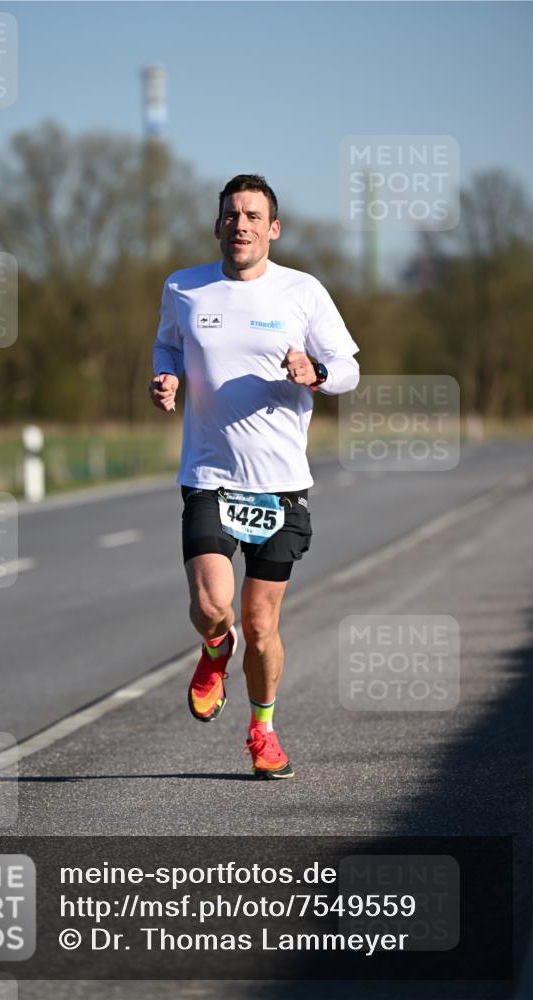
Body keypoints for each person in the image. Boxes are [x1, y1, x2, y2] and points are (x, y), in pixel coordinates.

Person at [149, 174, 359, 779]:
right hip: (210, 474)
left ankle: (262, 729)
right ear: (218, 225)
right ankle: (217, 648)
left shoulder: (302, 291)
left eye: (252, 216)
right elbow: (166, 347)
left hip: (282, 484)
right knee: (213, 607)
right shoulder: (184, 288)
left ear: (273, 229)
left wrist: (313, 370)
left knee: (263, 624)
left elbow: (348, 369)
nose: (241, 225)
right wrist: (167, 378)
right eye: (231, 215)